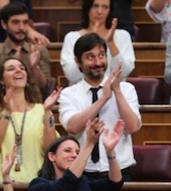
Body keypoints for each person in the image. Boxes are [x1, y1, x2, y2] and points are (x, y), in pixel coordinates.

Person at [59, 33, 141, 181]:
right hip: (82, 172)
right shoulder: (69, 94)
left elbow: (133, 127)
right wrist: (103, 99)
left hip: (120, 169)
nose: (98, 62)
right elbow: (72, 127)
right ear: (78, 61)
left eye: (101, 55)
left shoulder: (126, 89)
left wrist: (116, 92)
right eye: (90, 57)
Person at [0, 56, 60, 183]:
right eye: (11, 69)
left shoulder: (41, 110)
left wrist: (47, 112)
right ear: (1, 80)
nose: (18, 71)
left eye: (22, 68)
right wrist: (7, 112)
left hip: (36, 182)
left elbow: (50, 148)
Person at [61, 0, 135, 86]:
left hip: (114, 95)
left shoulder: (122, 36)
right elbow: (71, 75)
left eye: (105, 7)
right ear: (87, 8)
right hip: (81, 97)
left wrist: (111, 43)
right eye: (95, 6)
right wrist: (88, 42)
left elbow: (124, 72)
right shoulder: (72, 38)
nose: (99, 11)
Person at [0, 1, 51, 95]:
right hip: (4, 106)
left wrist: (34, 68)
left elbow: (45, 88)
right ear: (4, 24)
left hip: (34, 105)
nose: (21, 27)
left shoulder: (39, 51)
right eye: (15, 22)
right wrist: (13, 63)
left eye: (25, 22)